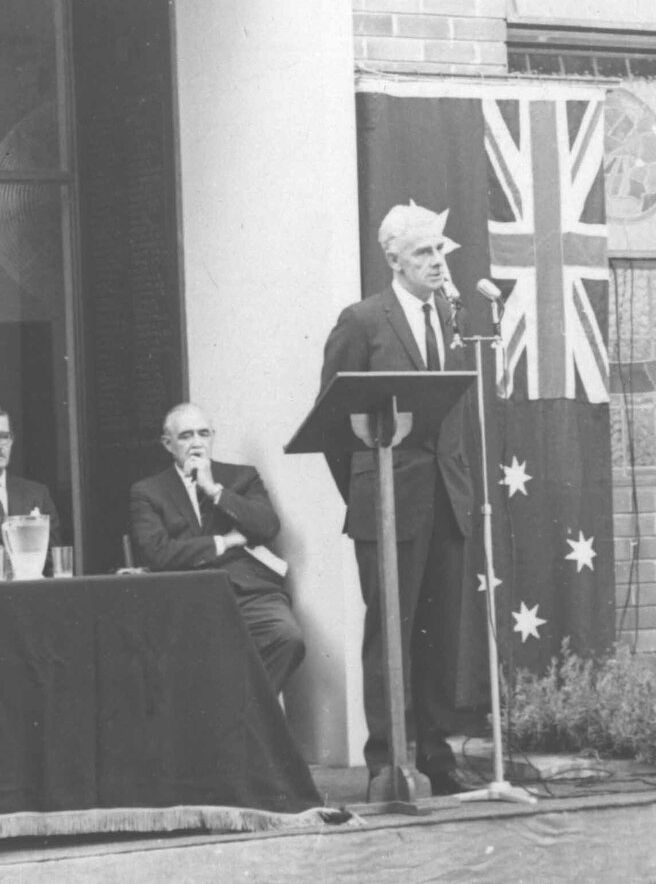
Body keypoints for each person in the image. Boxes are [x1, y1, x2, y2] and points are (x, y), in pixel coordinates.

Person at [319, 204, 473, 796]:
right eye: (422, 254)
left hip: (446, 498)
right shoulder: (362, 321)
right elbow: (334, 422)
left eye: (440, 251)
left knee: (438, 631)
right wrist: (367, 494)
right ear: (392, 260)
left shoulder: (450, 317)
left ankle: (436, 756)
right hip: (388, 501)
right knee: (392, 633)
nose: (436, 263)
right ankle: (388, 760)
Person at [129, 402, 305, 696]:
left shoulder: (242, 477)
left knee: (287, 638)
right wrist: (224, 542)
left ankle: (245, 719)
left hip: (249, 593)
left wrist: (214, 490)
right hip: (185, 597)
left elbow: (268, 526)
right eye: (186, 436)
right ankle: (238, 725)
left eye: (203, 434)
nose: (197, 442)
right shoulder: (148, 491)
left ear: (213, 436)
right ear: (167, 443)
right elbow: (157, 553)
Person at [0, 407, 62, 545]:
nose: (0, 446)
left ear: (11, 440)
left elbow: (52, 559)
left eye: (4, 437)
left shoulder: (37, 495)